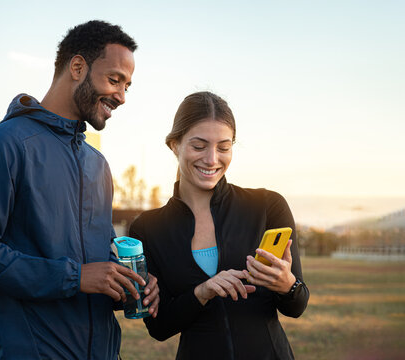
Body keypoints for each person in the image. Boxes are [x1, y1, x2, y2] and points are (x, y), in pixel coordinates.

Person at [0, 20, 159, 360]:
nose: (121, 96)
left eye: (127, 86)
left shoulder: (98, 165)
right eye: (114, 79)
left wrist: (125, 285)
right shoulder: (7, 144)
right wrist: (75, 277)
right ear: (77, 67)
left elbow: (95, 269)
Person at [129, 91, 310, 359]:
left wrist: (288, 285)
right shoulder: (148, 228)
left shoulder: (267, 206)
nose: (212, 159)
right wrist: (202, 292)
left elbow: (297, 305)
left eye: (224, 147)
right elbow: (159, 326)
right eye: (199, 146)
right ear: (175, 145)